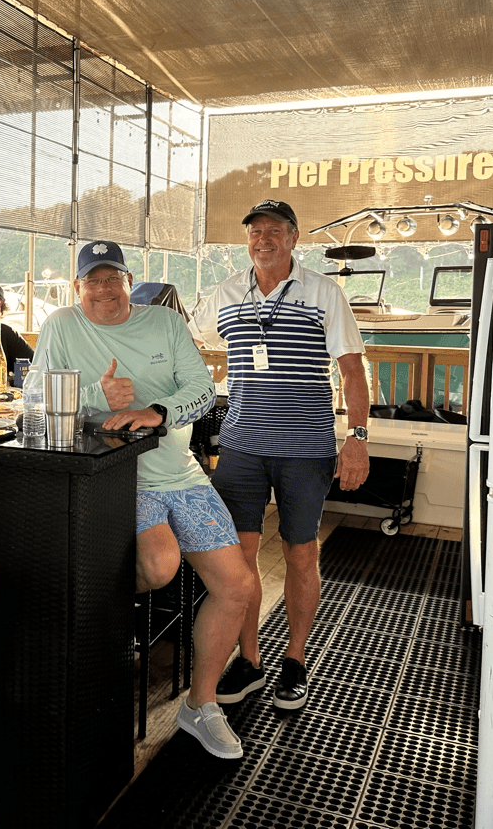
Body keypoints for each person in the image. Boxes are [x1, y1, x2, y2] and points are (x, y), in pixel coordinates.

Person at [31, 241, 253, 760]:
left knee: (238, 586)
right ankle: (99, 616)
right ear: (78, 285)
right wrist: (95, 399)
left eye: (114, 278)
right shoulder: (62, 325)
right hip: (117, 477)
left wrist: (156, 409)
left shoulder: (165, 324)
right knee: (159, 566)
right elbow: (35, 402)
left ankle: (199, 706)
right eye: (93, 280)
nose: (104, 289)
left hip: (180, 473)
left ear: (128, 281)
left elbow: (202, 389)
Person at [188, 199, 370, 713]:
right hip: (242, 445)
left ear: (294, 238)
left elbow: (352, 371)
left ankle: (295, 657)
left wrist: (355, 436)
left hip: (305, 448)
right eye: (254, 232)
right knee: (238, 562)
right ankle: (249, 659)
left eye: (273, 231)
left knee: (300, 554)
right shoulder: (225, 294)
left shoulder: (323, 292)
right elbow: (189, 341)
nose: (262, 239)